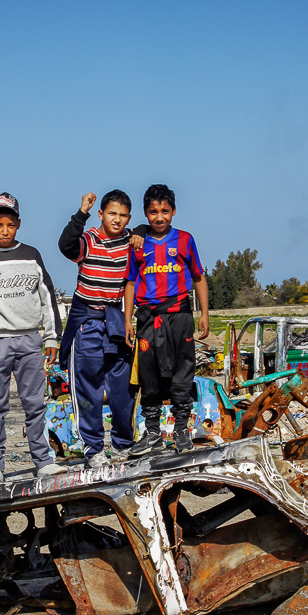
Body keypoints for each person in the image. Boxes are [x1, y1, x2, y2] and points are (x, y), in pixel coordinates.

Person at [0, 192, 68, 489]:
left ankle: (44, 461)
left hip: (30, 341)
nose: (4, 230)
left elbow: (47, 299)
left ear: (19, 224)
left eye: (10, 224)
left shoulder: (31, 255)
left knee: (35, 404)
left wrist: (51, 337)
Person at [58, 190, 142, 468]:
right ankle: (93, 449)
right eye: (112, 213)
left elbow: (146, 234)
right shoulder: (89, 240)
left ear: (129, 218)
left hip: (116, 320)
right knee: (88, 389)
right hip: (87, 320)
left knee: (123, 388)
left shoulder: (130, 241)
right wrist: (81, 213)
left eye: (123, 215)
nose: (117, 219)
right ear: (101, 214)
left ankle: (122, 445)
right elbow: (66, 245)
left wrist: (140, 231)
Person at [124, 184, 209, 455]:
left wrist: (205, 313)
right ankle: (152, 433)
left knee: (182, 371)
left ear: (174, 211)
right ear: (145, 213)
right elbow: (130, 283)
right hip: (148, 319)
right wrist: (128, 321)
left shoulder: (185, 240)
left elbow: (198, 277)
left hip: (180, 317)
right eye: (153, 212)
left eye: (165, 211)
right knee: (148, 375)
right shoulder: (137, 243)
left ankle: (182, 431)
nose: (159, 217)